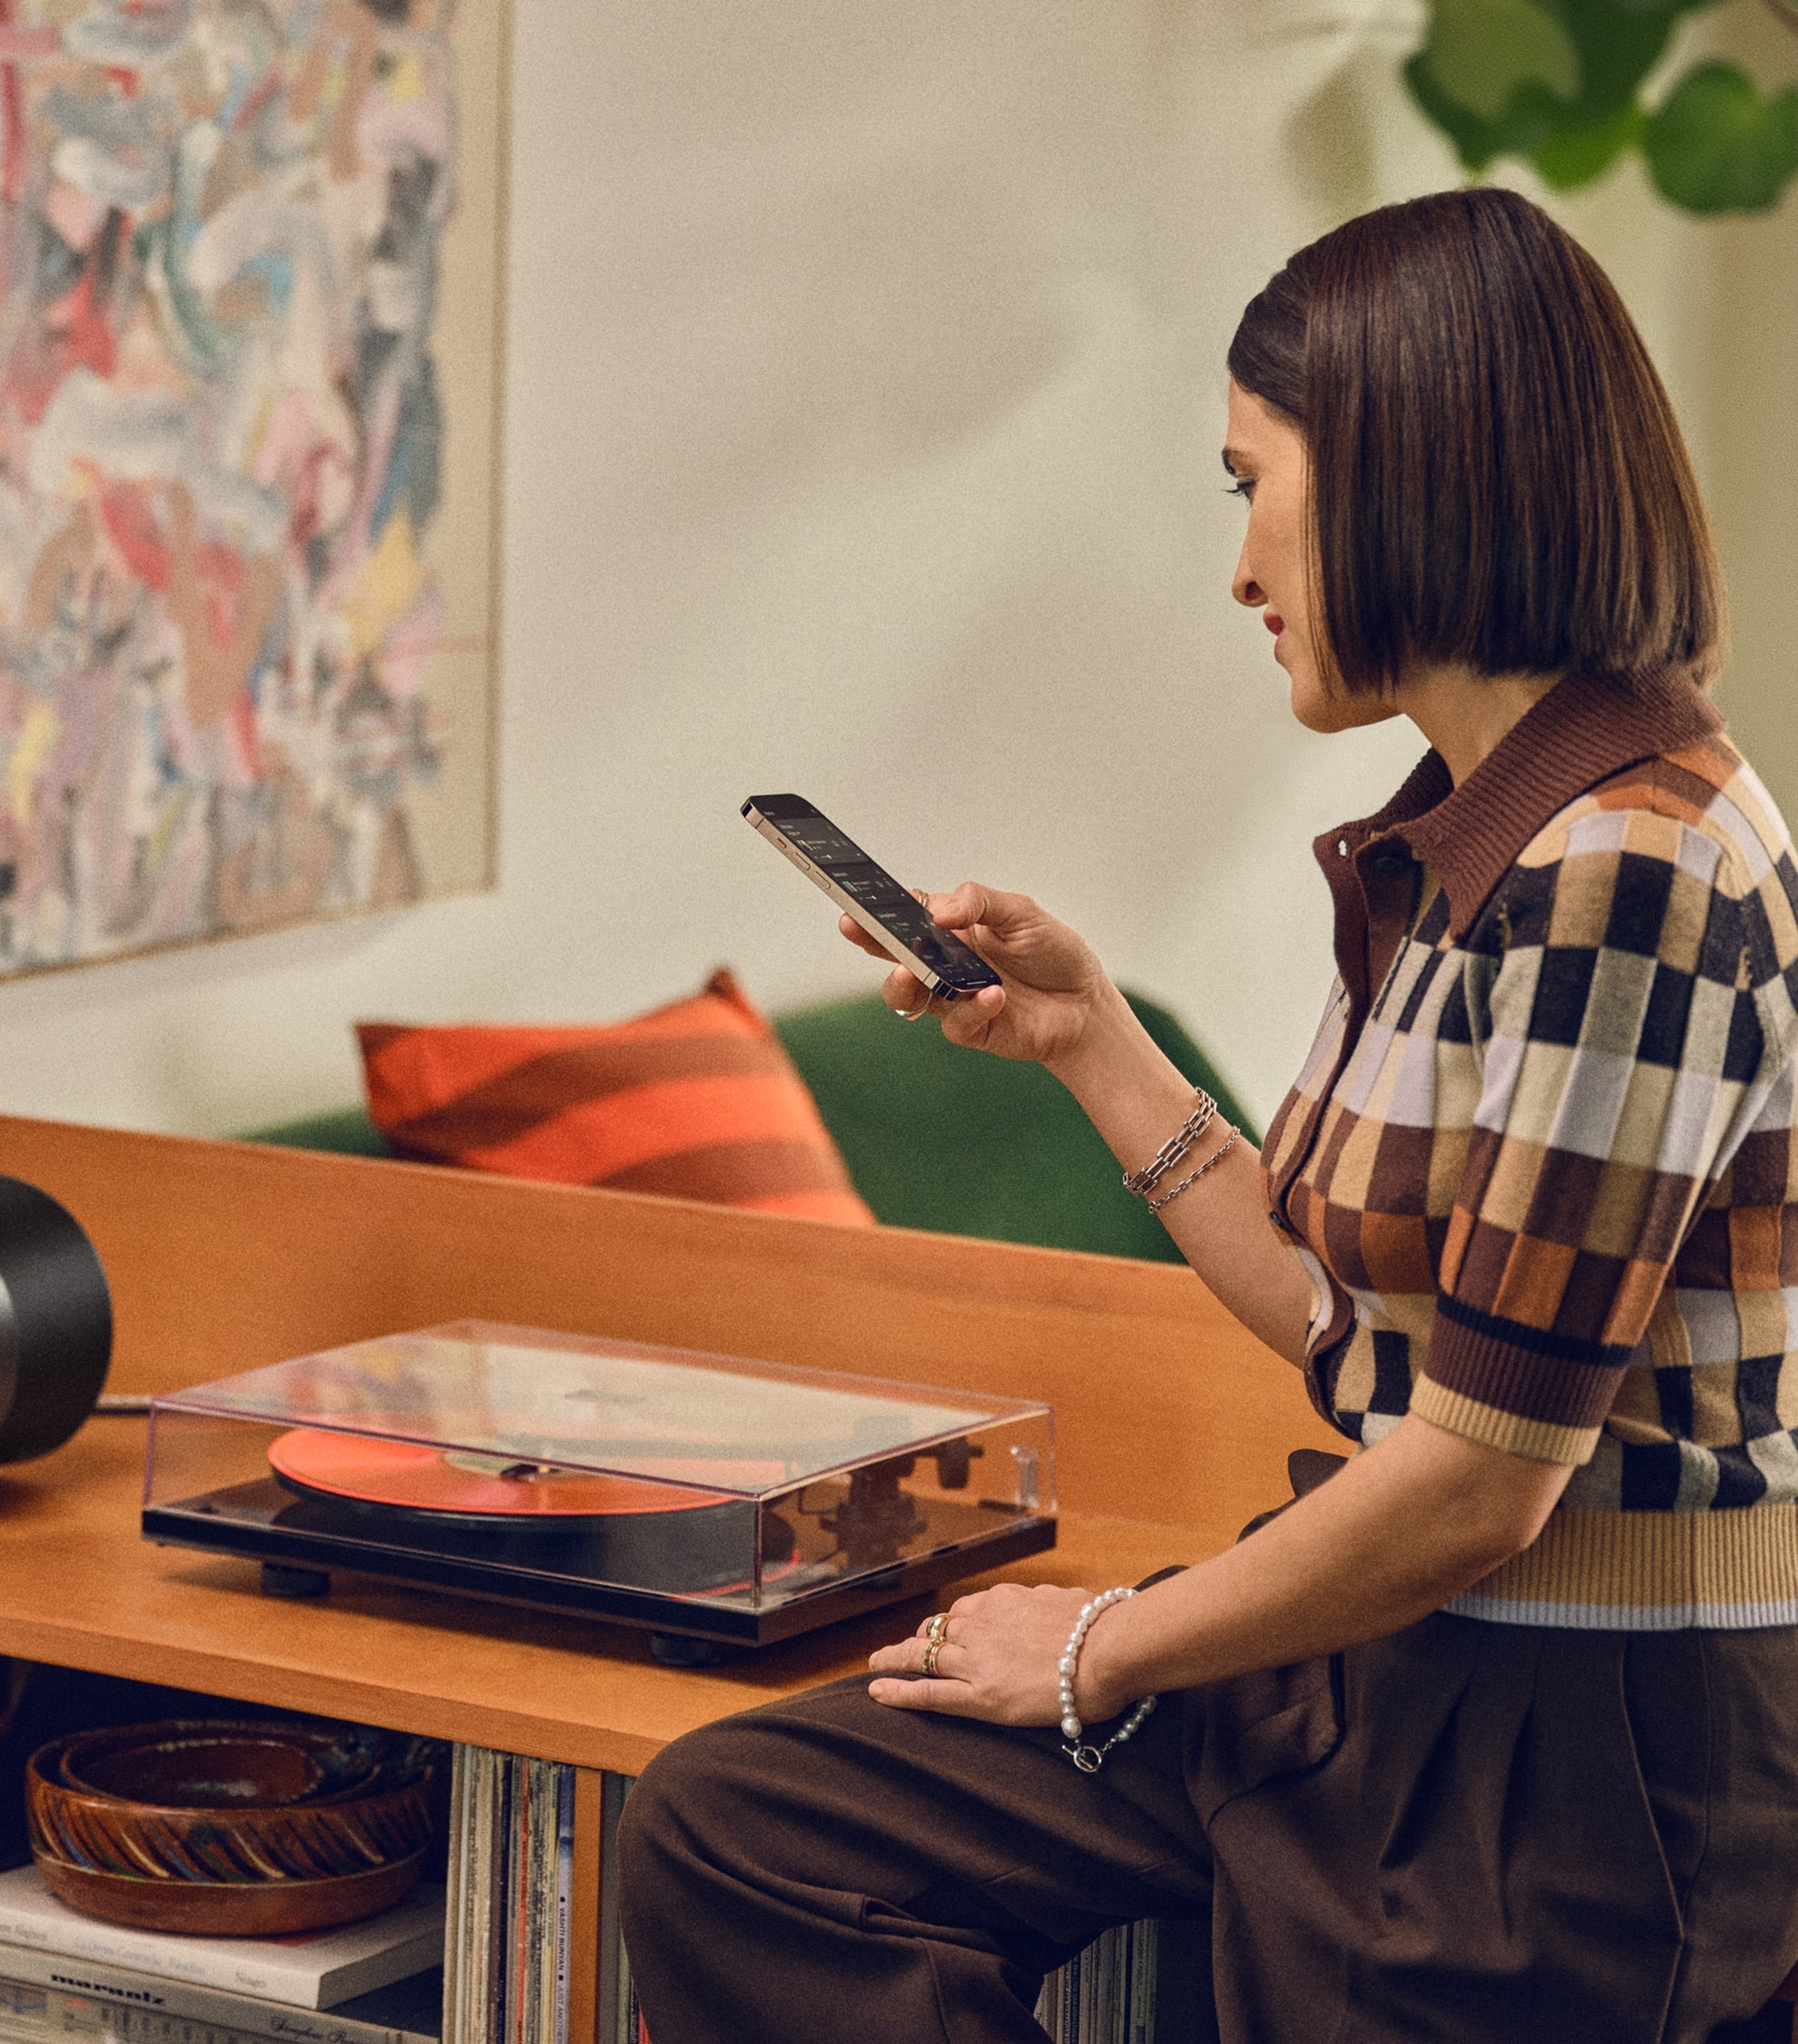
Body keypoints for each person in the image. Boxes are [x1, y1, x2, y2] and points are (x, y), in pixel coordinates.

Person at [614, 187, 1798, 2043]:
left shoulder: (1630, 869)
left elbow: (1481, 1482)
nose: (1240, 569)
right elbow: (1361, 1333)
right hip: (1395, 1659)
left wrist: (1091, 1644)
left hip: (1574, 1762)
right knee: (745, 1835)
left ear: (1417, 475)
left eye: (1252, 486)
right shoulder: (1470, 826)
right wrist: (1093, 1041)